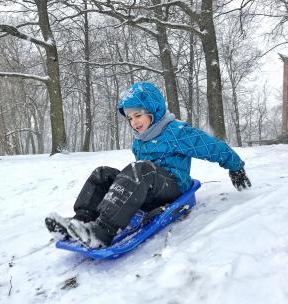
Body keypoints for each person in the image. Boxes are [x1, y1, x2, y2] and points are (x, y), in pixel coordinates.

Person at [45, 82, 251, 248]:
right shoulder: (140, 138)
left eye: (138, 115)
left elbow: (211, 147)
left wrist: (235, 166)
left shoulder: (177, 132)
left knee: (139, 169)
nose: (134, 122)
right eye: (130, 118)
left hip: (173, 186)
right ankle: (80, 221)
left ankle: (102, 231)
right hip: (149, 186)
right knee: (103, 174)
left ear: (153, 110)